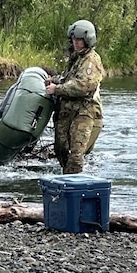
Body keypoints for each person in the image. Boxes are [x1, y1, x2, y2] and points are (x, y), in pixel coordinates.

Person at [45, 19, 104, 174]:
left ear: (87, 40)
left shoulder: (91, 60)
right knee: (61, 149)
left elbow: (82, 86)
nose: (75, 43)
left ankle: (74, 185)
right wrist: (55, 80)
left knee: (75, 154)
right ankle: (66, 178)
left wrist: (56, 89)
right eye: (74, 39)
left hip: (84, 113)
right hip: (68, 112)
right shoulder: (77, 58)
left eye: (79, 40)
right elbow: (69, 78)